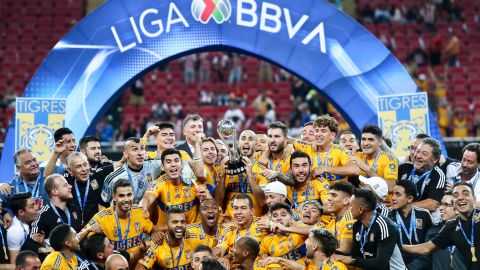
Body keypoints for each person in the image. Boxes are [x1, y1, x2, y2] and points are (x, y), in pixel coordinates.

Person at [402, 182, 480, 269]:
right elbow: (426, 248)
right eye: (456, 195)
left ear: (474, 198)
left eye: (465, 194)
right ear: (454, 203)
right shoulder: (451, 227)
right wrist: (399, 245)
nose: (460, 197)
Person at [83, 178, 160, 254]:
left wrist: (154, 234)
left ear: (133, 195)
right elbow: (81, 239)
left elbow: (152, 230)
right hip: (114, 264)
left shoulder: (139, 211)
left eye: (129, 195)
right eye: (121, 196)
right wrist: (88, 230)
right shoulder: (101, 218)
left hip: (137, 263)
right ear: (114, 197)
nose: (126, 199)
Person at [334, 189, 406, 270]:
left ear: (360, 209)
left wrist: (350, 260)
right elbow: (355, 255)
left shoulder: (386, 226)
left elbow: (381, 264)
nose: (349, 209)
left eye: (351, 206)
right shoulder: (357, 225)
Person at [140, 148, 207, 225]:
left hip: (190, 234)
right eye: (168, 162)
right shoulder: (158, 184)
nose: (173, 164)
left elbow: (211, 202)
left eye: (176, 161)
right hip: (166, 233)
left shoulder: (194, 182)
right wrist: (143, 206)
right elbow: (147, 197)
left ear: (181, 164)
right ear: (162, 167)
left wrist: (204, 199)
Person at [22, 174, 82, 258]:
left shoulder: (74, 208)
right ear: (55, 191)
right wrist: (45, 249)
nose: (70, 186)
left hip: (78, 258)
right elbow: (28, 246)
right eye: (65, 185)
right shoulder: (43, 214)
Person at [291, 115, 359, 183]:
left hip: (336, 191)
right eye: (317, 131)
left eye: (323, 131)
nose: (318, 134)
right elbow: (286, 139)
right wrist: (288, 147)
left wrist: (325, 169)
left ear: (332, 135)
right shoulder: (308, 147)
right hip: (314, 192)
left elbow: (355, 170)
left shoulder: (341, 151)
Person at [215, 130, 266, 217]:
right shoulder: (227, 167)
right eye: (243, 139)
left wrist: (250, 175)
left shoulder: (262, 170)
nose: (246, 142)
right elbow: (218, 202)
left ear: (256, 145)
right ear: (238, 144)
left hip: (253, 223)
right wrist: (223, 176)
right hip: (230, 223)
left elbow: (262, 202)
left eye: (250, 139)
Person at [101, 137, 162, 205]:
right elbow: (103, 204)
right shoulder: (113, 178)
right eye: (135, 149)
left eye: (141, 149)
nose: (140, 153)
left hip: (147, 214)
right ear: (126, 154)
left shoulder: (154, 166)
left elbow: (171, 159)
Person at [398, 138, 446, 223]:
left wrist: (404, 206)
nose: (418, 156)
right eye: (417, 151)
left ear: (435, 159)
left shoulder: (438, 175)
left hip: (421, 221)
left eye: (424, 154)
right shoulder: (404, 167)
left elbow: (432, 204)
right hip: (398, 215)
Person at [389, 180, 433, 270]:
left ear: (409, 199)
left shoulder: (424, 215)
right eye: (393, 194)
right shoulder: (387, 217)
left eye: (398, 194)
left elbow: (429, 246)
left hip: (421, 266)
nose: (393, 198)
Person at [136, 208, 201, 269]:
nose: (179, 225)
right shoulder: (157, 243)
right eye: (175, 222)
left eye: (182, 222)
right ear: (166, 225)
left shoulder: (193, 240)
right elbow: (140, 267)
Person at [350, 125, 398, 203]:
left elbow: (391, 187)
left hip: (383, 205)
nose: (365, 143)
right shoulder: (358, 156)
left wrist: (367, 169)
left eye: (370, 140)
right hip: (362, 204)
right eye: (363, 139)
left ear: (379, 142)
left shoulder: (389, 159)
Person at [256, 203, 310, 268]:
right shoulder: (268, 240)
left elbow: (316, 231)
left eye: (283, 215)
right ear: (271, 220)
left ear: (291, 219)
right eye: (275, 216)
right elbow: (260, 258)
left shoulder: (299, 230)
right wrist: (263, 258)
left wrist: (284, 228)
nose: (279, 218)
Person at [426, 192, 467, 270]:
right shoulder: (432, 232)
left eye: (446, 204)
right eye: (441, 204)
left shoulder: (470, 232)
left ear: (457, 208)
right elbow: (426, 260)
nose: (440, 208)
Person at [66, 152, 108, 226]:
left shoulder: (98, 176)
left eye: (85, 165)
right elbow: (47, 178)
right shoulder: (66, 182)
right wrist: (56, 154)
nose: (84, 169)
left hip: (96, 228)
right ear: (70, 170)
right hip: (73, 230)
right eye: (78, 166)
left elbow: (118, 164)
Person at [7, 192, 39, 262]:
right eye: (32, 206)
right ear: (21, 212)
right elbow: (15, 264)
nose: (37, 208)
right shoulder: (15, 232)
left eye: (35, 204)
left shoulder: (33, 220)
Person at [325, 182, 355, 254]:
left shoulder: (350, 218)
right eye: (329, 195)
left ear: (346, 200)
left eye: (334, 195)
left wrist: (321, 254)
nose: (329, 199)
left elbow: (345, 250)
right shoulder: (333, 222)